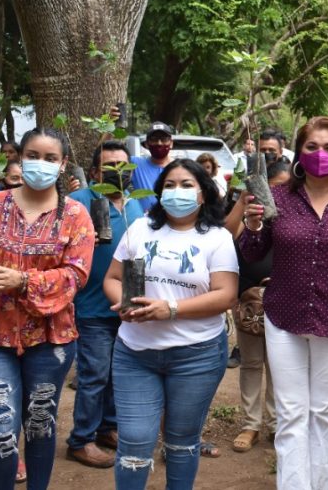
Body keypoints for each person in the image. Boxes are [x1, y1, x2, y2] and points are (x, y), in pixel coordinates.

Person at [240, 116, 328, 490]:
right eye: (312, 147)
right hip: (283, 317)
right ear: (299, 153)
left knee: (323, 412)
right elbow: (252, 253)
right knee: (290, 413)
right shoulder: (279, 197)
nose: (321, 154)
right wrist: (252, 226)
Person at [0, 128, 95, 490]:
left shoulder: (76, 214)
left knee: (40, 424)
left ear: (63, 164)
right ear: (19, 158)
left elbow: (76, 276)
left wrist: (22, 281)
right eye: (33, 155)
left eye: (50, 158)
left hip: (50, 338)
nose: (40, 164)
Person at [102, 158, 238, 489]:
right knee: (134, 441)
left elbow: (226, 295)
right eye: (170, 185)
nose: (178, 191)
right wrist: (123, 303)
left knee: (181, 441)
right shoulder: (140, 228)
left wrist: (171, 309)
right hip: (135, 353)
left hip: (197, 355)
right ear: (159, 192)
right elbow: (113, 278)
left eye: (187, 185)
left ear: (203, 194)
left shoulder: (217, 238)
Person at [64, 141, 144, 469]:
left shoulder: (136, 204)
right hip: (91, 307)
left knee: (117, 372)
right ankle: (80, 439)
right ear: (95, 171)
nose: (117, 171)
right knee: (94, 374)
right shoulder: (78, 202)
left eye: (123, 166)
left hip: (127, 305)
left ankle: (107, 427)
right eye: (109, 165)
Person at [228, 159, 289, 453]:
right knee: (251, 363)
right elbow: (227, 233)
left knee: (280, 364)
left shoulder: (294, 218)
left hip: (284, 300)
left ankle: (276, 423)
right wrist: (243, 201)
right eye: (272, 187)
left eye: (285, 188)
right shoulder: (249, 215)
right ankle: (251, 424)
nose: (276, 194)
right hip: (249, 302)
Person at [131, 122, 174, 211]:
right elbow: (105, 155)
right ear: (147, 144)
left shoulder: (180, 167)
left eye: (164, 139)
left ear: (171, 143)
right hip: (145, 218)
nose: (159, 143)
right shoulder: (135, 164)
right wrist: (110, 122)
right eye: (154, 139)